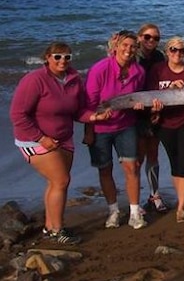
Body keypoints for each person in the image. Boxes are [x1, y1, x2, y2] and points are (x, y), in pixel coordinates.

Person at [10, 42, 111, 244]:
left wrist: (95, 118)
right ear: (47, 58)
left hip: (63, 138)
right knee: (61, 181)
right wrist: (41, 138)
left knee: (56, 183)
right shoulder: (34, 80)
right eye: (57, 56)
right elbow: (18, 115)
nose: (62, 61)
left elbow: (78, 111)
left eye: (67, 57)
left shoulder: (74, 80)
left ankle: (50, 227)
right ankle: (57, 230)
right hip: (34, 139)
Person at [85, 29, 148, 230]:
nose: (128, 50)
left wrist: (140, 105)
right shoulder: (99, 69)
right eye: (124, 45)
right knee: (105, 170)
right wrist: (89, 130)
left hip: (126, 125)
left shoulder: (139, 72)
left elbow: (137, 98)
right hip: (100, 127)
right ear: (116, 47)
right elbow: (89, 103)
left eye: (132, 46)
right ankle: (113, 211)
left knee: (132, 167)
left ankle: (134, 213)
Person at [147, 37, 184, 222]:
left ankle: (180, 208)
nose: (177, 53)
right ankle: (183, 200)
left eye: (181, 50)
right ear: (166, 51)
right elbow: (150, 93)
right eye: (173, 49)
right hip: (165, 123)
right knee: (175, 162)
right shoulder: (157, 70)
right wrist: (169, 90)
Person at [136, 23, 169, 213]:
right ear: (140, 37)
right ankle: (137, 199)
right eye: (147, 37)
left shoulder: (159, 57)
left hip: (154, 108)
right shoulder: (133, 55)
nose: (151, 41)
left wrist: (156, 111)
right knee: (138, 156)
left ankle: (154, 194)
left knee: (153, 153)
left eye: (156, 38)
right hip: (136, 110)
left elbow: (162, 82)